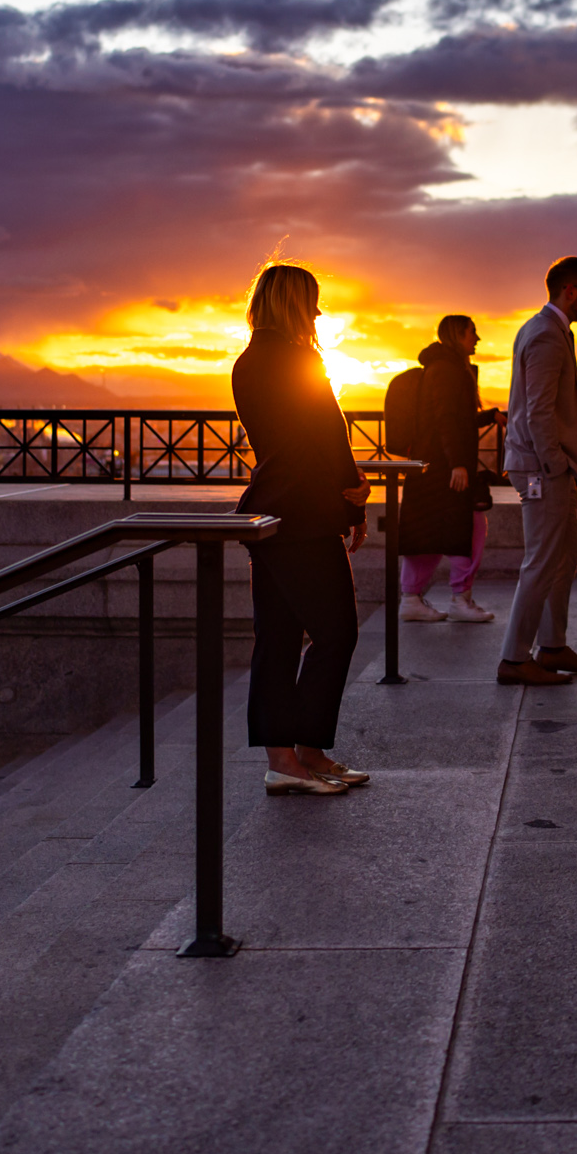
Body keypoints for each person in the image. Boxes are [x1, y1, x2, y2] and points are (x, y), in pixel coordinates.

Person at [232, 262, 371, 795]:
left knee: (279, 637)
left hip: (268, 514)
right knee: (336, 631)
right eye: (311, 301)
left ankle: (286, 759)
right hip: (304, 514)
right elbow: (328, 435)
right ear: (294, 303)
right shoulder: (299, 359)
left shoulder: (248, 362)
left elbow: (286, 442)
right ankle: (304, 751)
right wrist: (354, 504)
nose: (317, 311)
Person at [497, 255, 577, 689]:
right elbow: (538, 411)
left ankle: (553, 646)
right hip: (543, 469)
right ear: (570, 290)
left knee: (565, 554)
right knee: (541, 561)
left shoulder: (545, 329)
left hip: (546, 466)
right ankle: (513, 658)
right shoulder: (545, 334)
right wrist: (556, 464)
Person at [397, 315, 500, 624]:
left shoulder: (445, 367)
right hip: (446, 467)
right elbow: (445, 418)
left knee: (428, 533)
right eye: (473, 332)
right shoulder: (448, 370)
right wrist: (457, 462)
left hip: (432, 467)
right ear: (458, 334)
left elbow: (456, 417)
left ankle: (411, 599)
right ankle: (459, 598)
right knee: (470, 527)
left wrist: (489, 416)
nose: (478, 338)